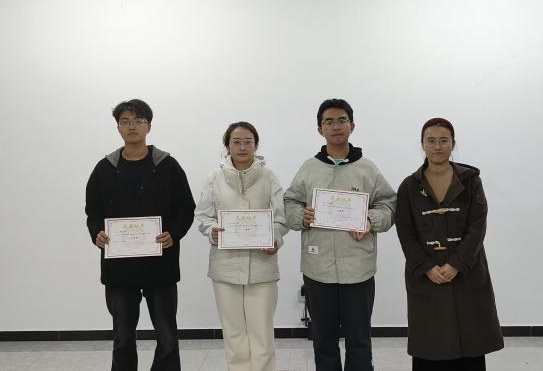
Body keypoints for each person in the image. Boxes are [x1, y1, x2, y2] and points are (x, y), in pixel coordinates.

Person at [284, 99, 397, 371]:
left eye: (342, 120)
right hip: (318, 270)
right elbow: (290, 201)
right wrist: (301, 216)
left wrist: (369, 221)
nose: (336, 126)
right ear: (320, 129)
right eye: (329, 122)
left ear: (352, 126)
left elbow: (389, 204)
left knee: (359, 342)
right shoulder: (309, 168)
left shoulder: (367, 169)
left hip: (358, 270)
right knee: (323, 341)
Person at [85, 99, 196, 371]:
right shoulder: (104, 168)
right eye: (124, 122)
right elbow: (93, 210)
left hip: (161, 264)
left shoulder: (168, 165)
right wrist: (97, 233)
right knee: (123, 337)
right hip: (119, 268)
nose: (131, 126)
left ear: (149, 126)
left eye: (138, 121)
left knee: (167, 336)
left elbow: (185, 208)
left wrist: (173, 233)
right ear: (118, 128)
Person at [394, 117, 504, 371]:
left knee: (471, 345)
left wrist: (457, 263)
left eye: (444, 140)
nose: (437, 146)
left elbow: (478, 226)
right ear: (422, 144)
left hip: (467, 273)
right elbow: (405, 232)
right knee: (430, 346)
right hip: (426, 277)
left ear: (453, 144)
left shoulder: (470, 181)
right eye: (431, 140)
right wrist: (426, 266)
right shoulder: (409, 186)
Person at [195, 121, 289, 371]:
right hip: (225, 268)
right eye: (236, 142)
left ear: (256, 145)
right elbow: (203, 216)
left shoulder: (269, 177)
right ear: (227, 146)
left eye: (248, 142)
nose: (242, 147)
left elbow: (281, 218)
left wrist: (275, 238)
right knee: (234, 334)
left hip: (262, 266)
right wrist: (213, 231)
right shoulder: (215, 177)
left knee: (262, 334)